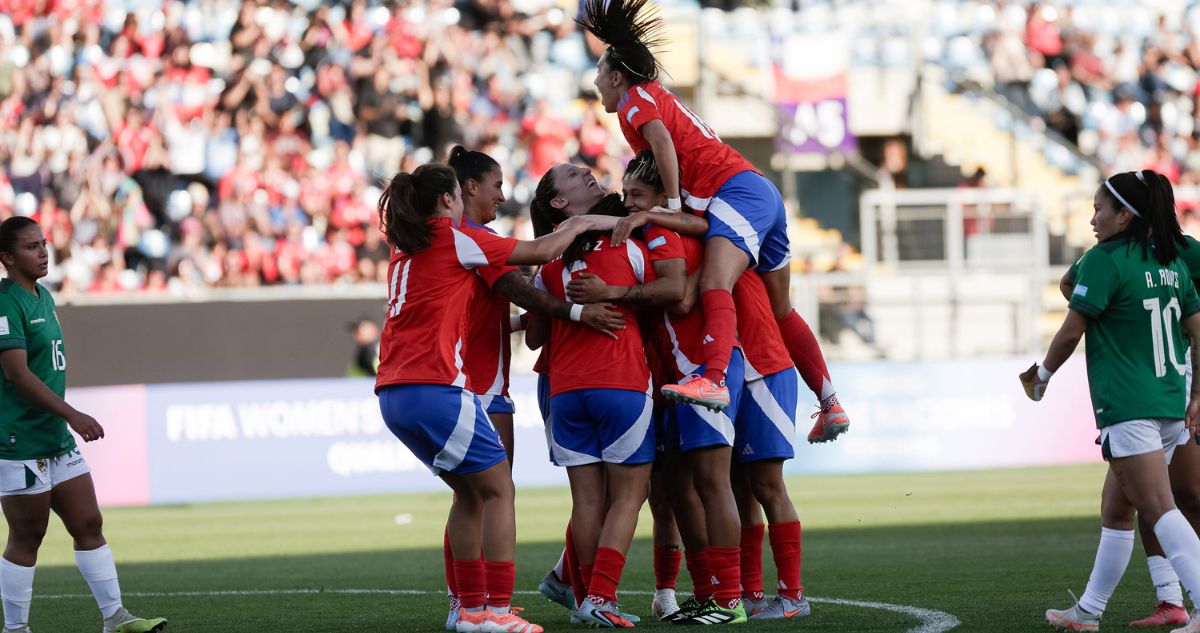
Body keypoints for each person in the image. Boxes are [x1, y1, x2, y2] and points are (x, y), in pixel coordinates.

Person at [576, 0, 850, 445]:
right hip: (755, 190)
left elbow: (663, 141)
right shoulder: (654, 98)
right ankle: (830, 401)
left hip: (734, 192)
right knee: (782, 310)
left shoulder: (634, 101)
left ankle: (714, 378)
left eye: (600, 74)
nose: (595, 83)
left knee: (713, 283)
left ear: (617, 77)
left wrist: (667, 205)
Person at [374, 162, 602, 633]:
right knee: (499, 490)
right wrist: (581, 223)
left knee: (468, 492)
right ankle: (496, 609)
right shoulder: (457, 237)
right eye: (460, 194)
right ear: (449, 200)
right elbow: (541, 249)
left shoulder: (405, 246)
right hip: (437, 386)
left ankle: (471, 610)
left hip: (394, 394)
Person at [444, 146, 626, 630]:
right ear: (469, 189)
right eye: (496, 185)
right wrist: (578, 310)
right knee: (485, 493)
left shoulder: (457, 239)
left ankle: (471, 603)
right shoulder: (473, 238)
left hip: (488, 382)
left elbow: (510, 314)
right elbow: (523, 290)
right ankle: (482, 606)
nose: (503, 194)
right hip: (481, 385)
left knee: (473, 494)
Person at [1020, 169, 1200, 633]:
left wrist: (1041, 375)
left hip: (1128, 402)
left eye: (1099, 209)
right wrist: (1196, 393)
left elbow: (1072, 328)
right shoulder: (1172, 262)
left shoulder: (1105, 260)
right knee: (1117, 508)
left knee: (1161, 509)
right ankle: (1088, 611)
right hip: (1167, 401)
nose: (1093, 218)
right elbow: (1197, 332)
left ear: (1125, 214)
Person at [0, 216, 167, 633]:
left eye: (43, 243)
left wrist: (63, 421)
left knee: (89, 522)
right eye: (31, 247)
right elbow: (16, 374)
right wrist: (71, 413)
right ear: (6, 257)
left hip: (54, 437)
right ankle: (16, 629)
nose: (43, 252)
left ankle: (116, 618)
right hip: (20, 439)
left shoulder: (43, 296)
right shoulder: (5, 303)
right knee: (28, 534)